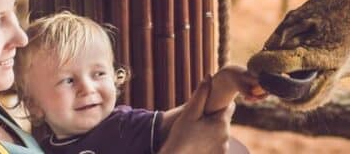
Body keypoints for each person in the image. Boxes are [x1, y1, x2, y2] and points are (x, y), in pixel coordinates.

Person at [0, 0, 241, 153]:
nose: (21, 37)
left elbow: (196, 120)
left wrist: (229, 82)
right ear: (33, 105)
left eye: (13, 11)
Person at [13, 12, 266, 153]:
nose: (87, 88)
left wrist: (227, 82)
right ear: (34, 105)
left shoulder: (124, 126)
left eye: (99, 74)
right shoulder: (41, 151)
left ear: (116, 77)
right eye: (68, 80)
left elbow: (194, 115)